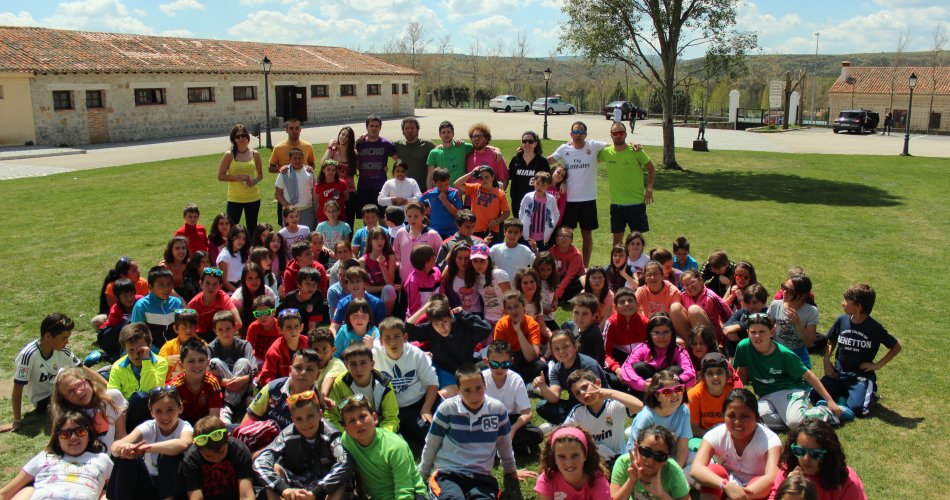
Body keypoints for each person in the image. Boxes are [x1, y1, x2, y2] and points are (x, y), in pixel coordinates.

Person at [420, 364, 527, 499]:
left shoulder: (497, 410)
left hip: (481, 476)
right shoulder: (447, 409)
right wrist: (422, 473)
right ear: (458, 390)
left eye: (478, 388)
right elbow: (432, 442)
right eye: (467, 390)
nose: (474, 396)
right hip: (448, 474)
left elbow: (504, 444)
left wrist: (510, 470)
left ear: (485, 386)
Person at [732, 313, 841, 431]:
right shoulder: (743, 347)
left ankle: (826, 412)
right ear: (748, 332)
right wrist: (735, 397)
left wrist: (829, 400)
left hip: (790, 391)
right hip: (766, 395)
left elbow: (808, 375)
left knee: (794, 422)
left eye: (762, 331)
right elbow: (741, 373)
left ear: (772, 332)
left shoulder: (784, 354)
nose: (757, 336)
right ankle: (796, 420)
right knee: (754, 419)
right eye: (753, 332)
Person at [817, 283, 901, 417]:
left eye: (846, 301)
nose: (842, 303)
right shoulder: (841, 320)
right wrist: (826, 359)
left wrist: (876, 365)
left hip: (859, 377)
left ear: (858, 306)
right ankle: (843, 396)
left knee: (858, 409)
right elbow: (831, 340)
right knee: (814, 395)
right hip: (838, 373)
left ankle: (866, 392)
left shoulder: (874, 328)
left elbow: (896, 347)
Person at [253, 389, 353, 500]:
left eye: (310, 416)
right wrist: (284, 489)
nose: (305, 424)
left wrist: (317, 492)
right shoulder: (287, 435)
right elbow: (260, 462)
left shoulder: (332, 435)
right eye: (299, 419)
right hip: (296, 487)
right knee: (275, 468)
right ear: (292, 420)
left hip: (325, 488)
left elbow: (345, 462)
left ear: (320, 414)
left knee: (342, 475)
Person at [690, 388, 782, 500]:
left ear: (756, 417)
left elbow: (772, 477)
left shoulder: (770, 440)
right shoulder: (715, 435)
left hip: (754, 492)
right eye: (731, 416)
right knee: (713, 470)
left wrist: (741, 496)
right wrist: (725, 485)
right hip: (725, 486)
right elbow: (696, 469)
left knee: (759, 480)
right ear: (723, 415)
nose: (738, 422)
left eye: (745, 416)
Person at [0, 411, 113, 500]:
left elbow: (119, 489)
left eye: (80, 431)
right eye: (65, 434)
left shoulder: (101, 459)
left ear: (89, 436)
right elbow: (6, 492)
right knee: (27, 491)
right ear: (57, 439)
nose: (73, 437)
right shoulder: (46, 457)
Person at [338, 393, 428, 499]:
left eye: (362, 416)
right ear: (346, 428)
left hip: (412, 494)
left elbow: (405, 491)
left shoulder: (395, 447)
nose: (358, 423)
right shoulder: (347, 441)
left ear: (375, 418)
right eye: (352, 421)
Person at [109, 386, 192, 500]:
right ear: (151, 412)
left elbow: (183, 444)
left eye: (170, 410)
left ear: (180, 408)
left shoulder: (185, 427)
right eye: (158, 411)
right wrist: (123, 449)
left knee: (168, 457)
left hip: (176, 488)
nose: (165, 416)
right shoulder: (149, 426)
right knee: (125, 459)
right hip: (150, 484)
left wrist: (144, 448)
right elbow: (115, 446)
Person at [6, 313, 83, 432]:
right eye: (64, 338)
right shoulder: (28, 356)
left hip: (61, 388)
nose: (67, 342)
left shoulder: (62, 350)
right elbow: (18, 388)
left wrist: (106, 387)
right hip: (43, 400)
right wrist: (17, 421)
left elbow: (84, 370)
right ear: (48, 336)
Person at [547, 121, 608, 267]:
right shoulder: (564, 148)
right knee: (564, 235)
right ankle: (564, 265)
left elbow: (616, 147)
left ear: (586, 134)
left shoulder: (593, 146)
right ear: (571, 134)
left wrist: (631, 144)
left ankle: (584, 267)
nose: (578, 135)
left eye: (581, 132)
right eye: (575, 132)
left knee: (587, 235)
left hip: (588, 199)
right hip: (569, 200)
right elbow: (548, 161)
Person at [406, 296, 492, 398]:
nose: (441, 328)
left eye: (445, 322)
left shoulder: (463, 326)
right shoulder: (430, 329)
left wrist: (463, 313)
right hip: (444, 371)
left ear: (451, 317)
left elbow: (486, 328)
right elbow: (407, 330)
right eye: (436, 324)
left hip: (465, 370)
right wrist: (424, 309)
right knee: (447, 394)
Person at [373, 317, 440, 444]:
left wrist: (426, 409)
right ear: (381, 341)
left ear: (405, 337)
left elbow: (432, 382)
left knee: (452, 418)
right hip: (402, 408)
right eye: (387, 338)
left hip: (423, 399)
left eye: (397, 336)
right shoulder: (373, 356)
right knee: (428, 433)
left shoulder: (416, 353)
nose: (392, 342)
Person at [771, 419, 867, 499]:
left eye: (815, 454)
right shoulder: (789, 468)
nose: (806, 459)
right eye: (799, 451)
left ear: (829, 454)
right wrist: (787, 486)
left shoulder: (847, 482)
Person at [565, 369, 644, 464]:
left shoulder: (614, 405)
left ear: (598, 383)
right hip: (593, 462)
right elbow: (562, 435)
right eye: (577, 393)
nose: (582, 393)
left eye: (585, 387)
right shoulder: (578, 413)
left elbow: (639, 407)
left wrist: (611, 393)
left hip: (618, 460)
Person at [482, 340, 544, 455]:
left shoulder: (515, 379)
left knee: (537, 434)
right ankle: (512, 448)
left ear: (511, 362)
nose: (499, 369)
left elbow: (527, 413)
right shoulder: (480, 379)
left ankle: (495, 449)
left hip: (511, 420)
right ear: (486, 362)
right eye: (494, 365)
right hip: (487, 420)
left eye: (504, 364)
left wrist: (513, 429)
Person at [533, 330, 608, 425]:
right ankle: (575, 422)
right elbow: (554, 398)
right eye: (556, 348)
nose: (561, 351)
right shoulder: (557, 369)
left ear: (575, 346)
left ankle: (576, 423)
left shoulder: (588, 364)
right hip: (576, 404)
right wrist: (543, 386)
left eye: (565, 347)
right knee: (542, 406)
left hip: (596, 402)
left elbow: (597, 394)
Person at [600, 122, 656, 247]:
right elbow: (587, 155)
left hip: (636, 204)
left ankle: (638, 267)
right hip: (616, 205)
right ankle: (618, 266)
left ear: (625, 134)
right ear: (611, 135)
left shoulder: (636, 150)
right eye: (615, 133)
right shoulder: (606, 152)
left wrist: (649, 189)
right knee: (617, 242)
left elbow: (651, 169)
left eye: (621, 133)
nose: (618, 135)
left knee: (637, 242)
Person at [626, 370, 692, 470]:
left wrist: (676, 472)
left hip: (669, 455)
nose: (674, 395)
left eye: (678, 389)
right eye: (667, 392)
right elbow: (637, 451)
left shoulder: (683, 411)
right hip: (647, 458)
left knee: (698, 460)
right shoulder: (647, 417)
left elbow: (683, 447)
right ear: (657, 396)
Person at [326, 344, 399, 433]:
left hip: (379, 429)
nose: (358, 369)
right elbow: (332, 416)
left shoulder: (384, 383)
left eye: (363, 363)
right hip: (351, 430)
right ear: (346, 366)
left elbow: (391, 417)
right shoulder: (340, 383)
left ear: (372, 364)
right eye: (353, 364)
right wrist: (345, 435)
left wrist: (382, 435)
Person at [50, 367, 128, 449]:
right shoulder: (70, 419)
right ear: (65, 399)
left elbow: (121, 435)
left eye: (79, 385)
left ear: (88, 381)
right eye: (70, 392)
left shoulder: (113, 397)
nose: (78, 392)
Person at [620, 313, 695, 396]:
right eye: (656, 332)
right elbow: (626, 368)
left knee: (675, 370)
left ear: (672, 333)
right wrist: (643, 384)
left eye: (666, 332)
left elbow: (691, 374)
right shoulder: (642, 348)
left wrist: (668, 383)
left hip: (669, 392)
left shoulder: (678, 350)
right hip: (647, 391)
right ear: (650, 334)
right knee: (639, 367)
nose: (662, 337)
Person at [182, 416, 255, 500]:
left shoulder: (239, 450)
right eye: (208, 456)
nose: (216, 459)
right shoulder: (191, 459)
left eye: (221, 452)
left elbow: (246, 495)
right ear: (196, 446)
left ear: (228, 437)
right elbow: (196, 497)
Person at [610, 424, 691, 500]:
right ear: (636, 447)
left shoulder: (673, 472)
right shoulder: (623, 463)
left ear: (667, 458)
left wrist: (662, 495)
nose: (650, 461)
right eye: (646, 452)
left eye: (659, 456)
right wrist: (631, 481)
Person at [535, 425, 611, 499]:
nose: (569, 463)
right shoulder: (547, 480)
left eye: (575, 455)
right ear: (554, 457)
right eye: (561, 456)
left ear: (585, 455)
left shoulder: (596, 479)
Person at [269, 119, 316, 224]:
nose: (294, 131)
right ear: (286, 130)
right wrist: (280, 169)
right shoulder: (278, 147)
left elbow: (312, 163)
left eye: (296, 128)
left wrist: (310, 168)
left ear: (300, 130)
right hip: (286, 192)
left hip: (304, 191)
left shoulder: (307, 146)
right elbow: (270, 168)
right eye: (291, 128)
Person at [493, 290, 546, 383]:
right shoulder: (501, 324)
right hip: (509, 359)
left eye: (516, 306)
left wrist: (518, 331)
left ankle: (513, 380)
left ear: (523, 305)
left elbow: (531, 357)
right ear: (505, 310)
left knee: (541, 366)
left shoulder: (532, 324)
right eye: (509, 308)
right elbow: (499, 354)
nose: (514, 311)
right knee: (481, 367)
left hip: (526, 357)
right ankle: (515, 379)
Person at [218, 123, 263, 230]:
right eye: (238, 136)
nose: (241, 138)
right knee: (232, 229)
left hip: (253, 197)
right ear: (234, 139)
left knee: (252, 228)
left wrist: (254, 181)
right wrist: (236, 177)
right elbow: (220, 176)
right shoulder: (229, 155)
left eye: (243, 135)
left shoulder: (255, 154)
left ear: (247, 137)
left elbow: (260, 175)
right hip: (235, 198)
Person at [769, 274, 820, 368]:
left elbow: (809, 343)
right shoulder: (775, 305)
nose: (784, 292)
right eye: (783, 287)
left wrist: (798, 323)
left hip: (798, 353)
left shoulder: (811, 311)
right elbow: (766, 328)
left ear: (802, 296)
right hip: (777, 350)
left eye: (789, 291)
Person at [689, 352, 744, 438]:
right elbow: (694, 429)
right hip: (703, 437)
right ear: (703, 377)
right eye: (710, 373)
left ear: (727, 375)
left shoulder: (733, 395)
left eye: (719, 372)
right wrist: (717, 438)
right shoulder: (694, 395)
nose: (715, 377)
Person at [354, 114, 399, 217]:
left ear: (380, 127)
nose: (374, 128)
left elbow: (398, 161)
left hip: (381, 187)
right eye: (371, 126)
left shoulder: (386, 144)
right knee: (366, 218)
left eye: (376, 126)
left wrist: (393, 173)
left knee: (383, 218)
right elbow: (354, 161)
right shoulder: (360, 143)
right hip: (363, 186)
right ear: (367, 127)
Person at [453, 165, 510, 242]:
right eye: (481, 178)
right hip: (474, 229)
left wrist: (496, 221)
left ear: (493, 177)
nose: (484, 180)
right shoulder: (475, 188)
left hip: (491, 230)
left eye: (487, 177)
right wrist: (471, 173)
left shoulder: (500, 193)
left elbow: (507, 212)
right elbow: (456, 184)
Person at [131, 266, 183, 350]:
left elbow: (181, 329)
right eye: (161, 285)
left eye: (169, 284)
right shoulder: (142, 306)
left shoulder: (176, 303)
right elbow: (137, 335)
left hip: (176, 350)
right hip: (153, 354)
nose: (166, 288)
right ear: (150, 287)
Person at [392, 200, 443, 283]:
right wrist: (400, 265)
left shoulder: (432, 235)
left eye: (416, 216)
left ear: (423, 216)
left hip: (426, 283)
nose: (412, 219)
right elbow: (396, 252)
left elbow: (440, 256)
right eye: (409, 216)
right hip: (405, 282)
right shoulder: (401, 233)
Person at [257, 308, 310, 386]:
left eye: (296, 326)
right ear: (280, 330)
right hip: (282, 388)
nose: (293, 331)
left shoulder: (309, 344)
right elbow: (266, 377)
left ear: (301, 327)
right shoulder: (274, 351)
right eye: (289, 327)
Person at [322, 126, 359, 227]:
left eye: (347, 136)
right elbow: (323, 164)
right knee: (334, 220)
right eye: (342, 134)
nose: (343, 137)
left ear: (350, 139)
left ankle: (347, 242)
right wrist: (329, 147)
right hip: (334, 190)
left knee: (349, 222)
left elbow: (360, 168)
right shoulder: (333, 150)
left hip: (349, 191)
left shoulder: (353, 153)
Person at [508, 130, 549, 219]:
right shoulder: (515, 160)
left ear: (535, 143)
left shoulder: (542, 161)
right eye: (524, 141)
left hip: (536, 199)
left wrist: (562, 183)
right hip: (517, 200)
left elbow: (548, 181)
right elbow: (508, 176)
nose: (527, 144)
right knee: (519, 227)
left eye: (530, 141)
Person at [275, 147, 316, 229]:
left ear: (303, 159)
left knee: (307, 236)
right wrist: (287, 205)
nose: (297, 161)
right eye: (294, 158)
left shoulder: (309, 172)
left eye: (299, 158)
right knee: (290, 236)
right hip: (290, 211)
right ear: (289, 159)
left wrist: (315, 208)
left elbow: (314, 192)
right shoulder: (284, 173)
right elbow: (278, 193)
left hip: (307, 210)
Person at [518, 171, 559, 252]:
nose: (539, 187)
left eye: (543, 185)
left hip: (543, 235)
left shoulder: (551, 199)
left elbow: (556, 214)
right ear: (534, 182)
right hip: (528, 234)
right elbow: (521, 211)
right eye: (538, 184)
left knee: (540, 257)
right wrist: (522, 226)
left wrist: (551, 227)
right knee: (528, 257)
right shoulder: (528, 197)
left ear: (547, 186)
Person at [420, 167, 464, 239]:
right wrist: (426, 213)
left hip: (452, 231)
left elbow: (458, 214)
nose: (444, 187)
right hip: (435, 231)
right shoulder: (429, 194)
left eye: (446, 184)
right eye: (440, 185)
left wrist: (445, 200)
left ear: (449, 181)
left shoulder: (455, 193)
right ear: (434, 182)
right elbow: (418, 206)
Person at [426, 120, 473, 185]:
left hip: (457, 192)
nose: (446, 135)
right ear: (440, 135)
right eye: (443, 132)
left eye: (448, 132)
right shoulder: (434, 153)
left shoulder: (462, 147)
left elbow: (480, 147)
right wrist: (430, 193)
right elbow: (430, 177)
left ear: (453, 134)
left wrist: (492, 148)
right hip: (440, 192)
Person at [394, 116, 436, 189]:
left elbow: (442, 149)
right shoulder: (397, 145)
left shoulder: (428, 145)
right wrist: (366, 137)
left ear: (417, 130)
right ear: (403, 131)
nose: (409, 130)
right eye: (407, 128)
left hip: (423, 188)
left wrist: (456, 143)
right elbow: (382, 145)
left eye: (412, 128)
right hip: (403, 189)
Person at [490, 219, 536, 285]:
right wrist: (484, 244)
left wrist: (535, 250)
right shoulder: (495, 249)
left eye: (516, 232)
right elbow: (485, 260)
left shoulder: (525, 250)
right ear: (504, 232)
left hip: (519, 287)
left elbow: (536, 262)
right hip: (501, 287)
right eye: (510, 232)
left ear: (520, 234)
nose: (512, 235)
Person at [464, 122, 508, 190]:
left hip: (490, 199)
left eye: (479, 136)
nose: (476, 138)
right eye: (474, 136)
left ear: (486, 138)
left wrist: (499, 197)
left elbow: (504, 180)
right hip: (471, 200)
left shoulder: (496, 155)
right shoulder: (468, 156)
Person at [216, 224, 250, 293]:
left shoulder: (243, 254)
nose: (241, 241)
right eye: (238, 237)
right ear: (232, 237)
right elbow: (224, 281)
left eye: (244, 239)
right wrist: (238, 293)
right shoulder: (224, 256)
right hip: (229, 292)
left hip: (241, 288)